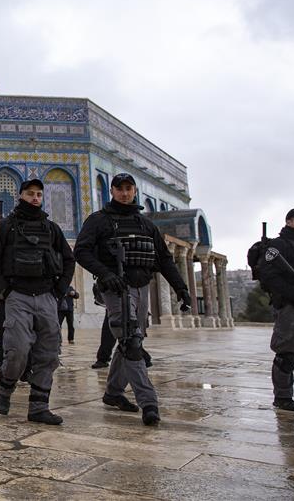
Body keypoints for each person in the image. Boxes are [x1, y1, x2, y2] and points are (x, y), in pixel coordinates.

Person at [74, 173, 191, 426]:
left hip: (141, 288)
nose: (124, 193)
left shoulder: (145, 224)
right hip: (116, 288)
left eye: (129, 189)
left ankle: (113, 393)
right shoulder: (99, 221)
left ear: (135, 191)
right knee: (130, 341)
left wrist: (180, 288)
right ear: (111, 191)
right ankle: (149, 403)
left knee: (130, 341)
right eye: (120, 189)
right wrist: (105, 274)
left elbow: (164, 258)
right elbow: (81, 251)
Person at [0, 178, 75, 425]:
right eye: (30, 194)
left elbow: (69, 260)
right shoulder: (5, 227)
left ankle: (39, 406)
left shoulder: (51, 228)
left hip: (46, 296)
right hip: (18, 296)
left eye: (38, 194)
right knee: (17, 350)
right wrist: (4, 290)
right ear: (21, 195)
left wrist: (59, 289)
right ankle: (5, 387)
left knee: (48, 352)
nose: (35, 198)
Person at [258, 207, 294, 412]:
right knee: (286, 355)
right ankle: (283, 397)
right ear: (289, 221)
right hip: (291, 307)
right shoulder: (279, 246)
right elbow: (269, 276)